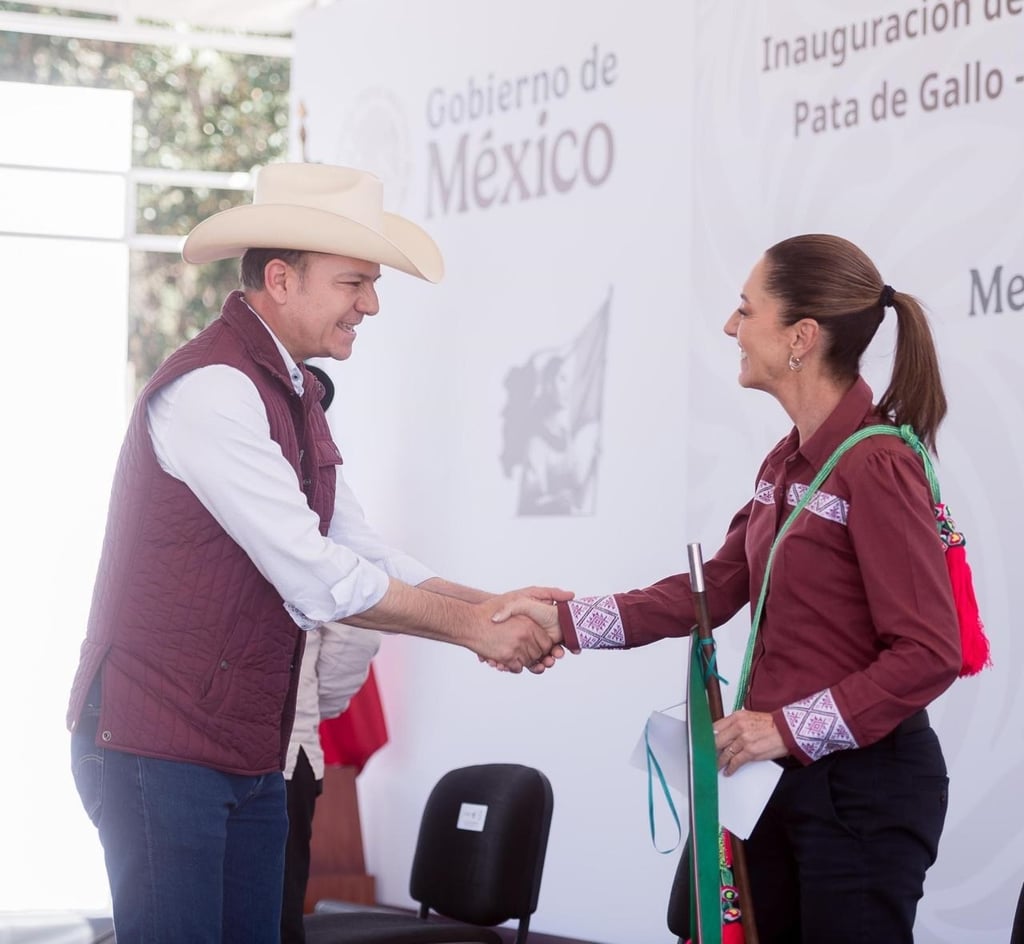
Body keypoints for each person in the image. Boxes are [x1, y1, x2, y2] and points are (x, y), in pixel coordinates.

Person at [66, 161, 567, 944]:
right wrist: (473, 632)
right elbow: (319, 575)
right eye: (354, 283)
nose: (370, 303)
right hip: (156, 747)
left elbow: (360, 548)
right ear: (281, 279)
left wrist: (490, 605)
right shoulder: (213, 391)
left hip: (246, 754)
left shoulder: (293, 391)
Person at [499, 234, 963, 943]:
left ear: (801, 337)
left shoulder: (877, 464)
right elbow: (713, 589)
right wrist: (562, 620)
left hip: (863, 791)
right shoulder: (787, 459)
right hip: (781, 782)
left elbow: (930, 652)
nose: (729, 327)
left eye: (745, 311)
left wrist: (781, 727)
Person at [281, 620, 380, 944]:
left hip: (284, 756)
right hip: (283, 746)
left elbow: (354, 632)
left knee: (274, 917)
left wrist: (299, 706)